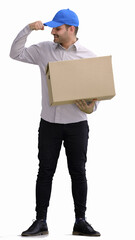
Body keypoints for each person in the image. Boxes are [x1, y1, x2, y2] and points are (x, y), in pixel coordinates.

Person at [10, 9, 100, 237]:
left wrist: (92, 107)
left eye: (57, 28)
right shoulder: (44, 50)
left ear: (72, 29)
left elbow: (95, 95)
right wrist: (28, 28)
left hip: (77, 125)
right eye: (52, 28)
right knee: (45, 172)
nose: (53, 32)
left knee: (78, 172)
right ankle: (41, 221)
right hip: (49, 123)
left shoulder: (88, 55)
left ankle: (80, 221)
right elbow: (15, 53)